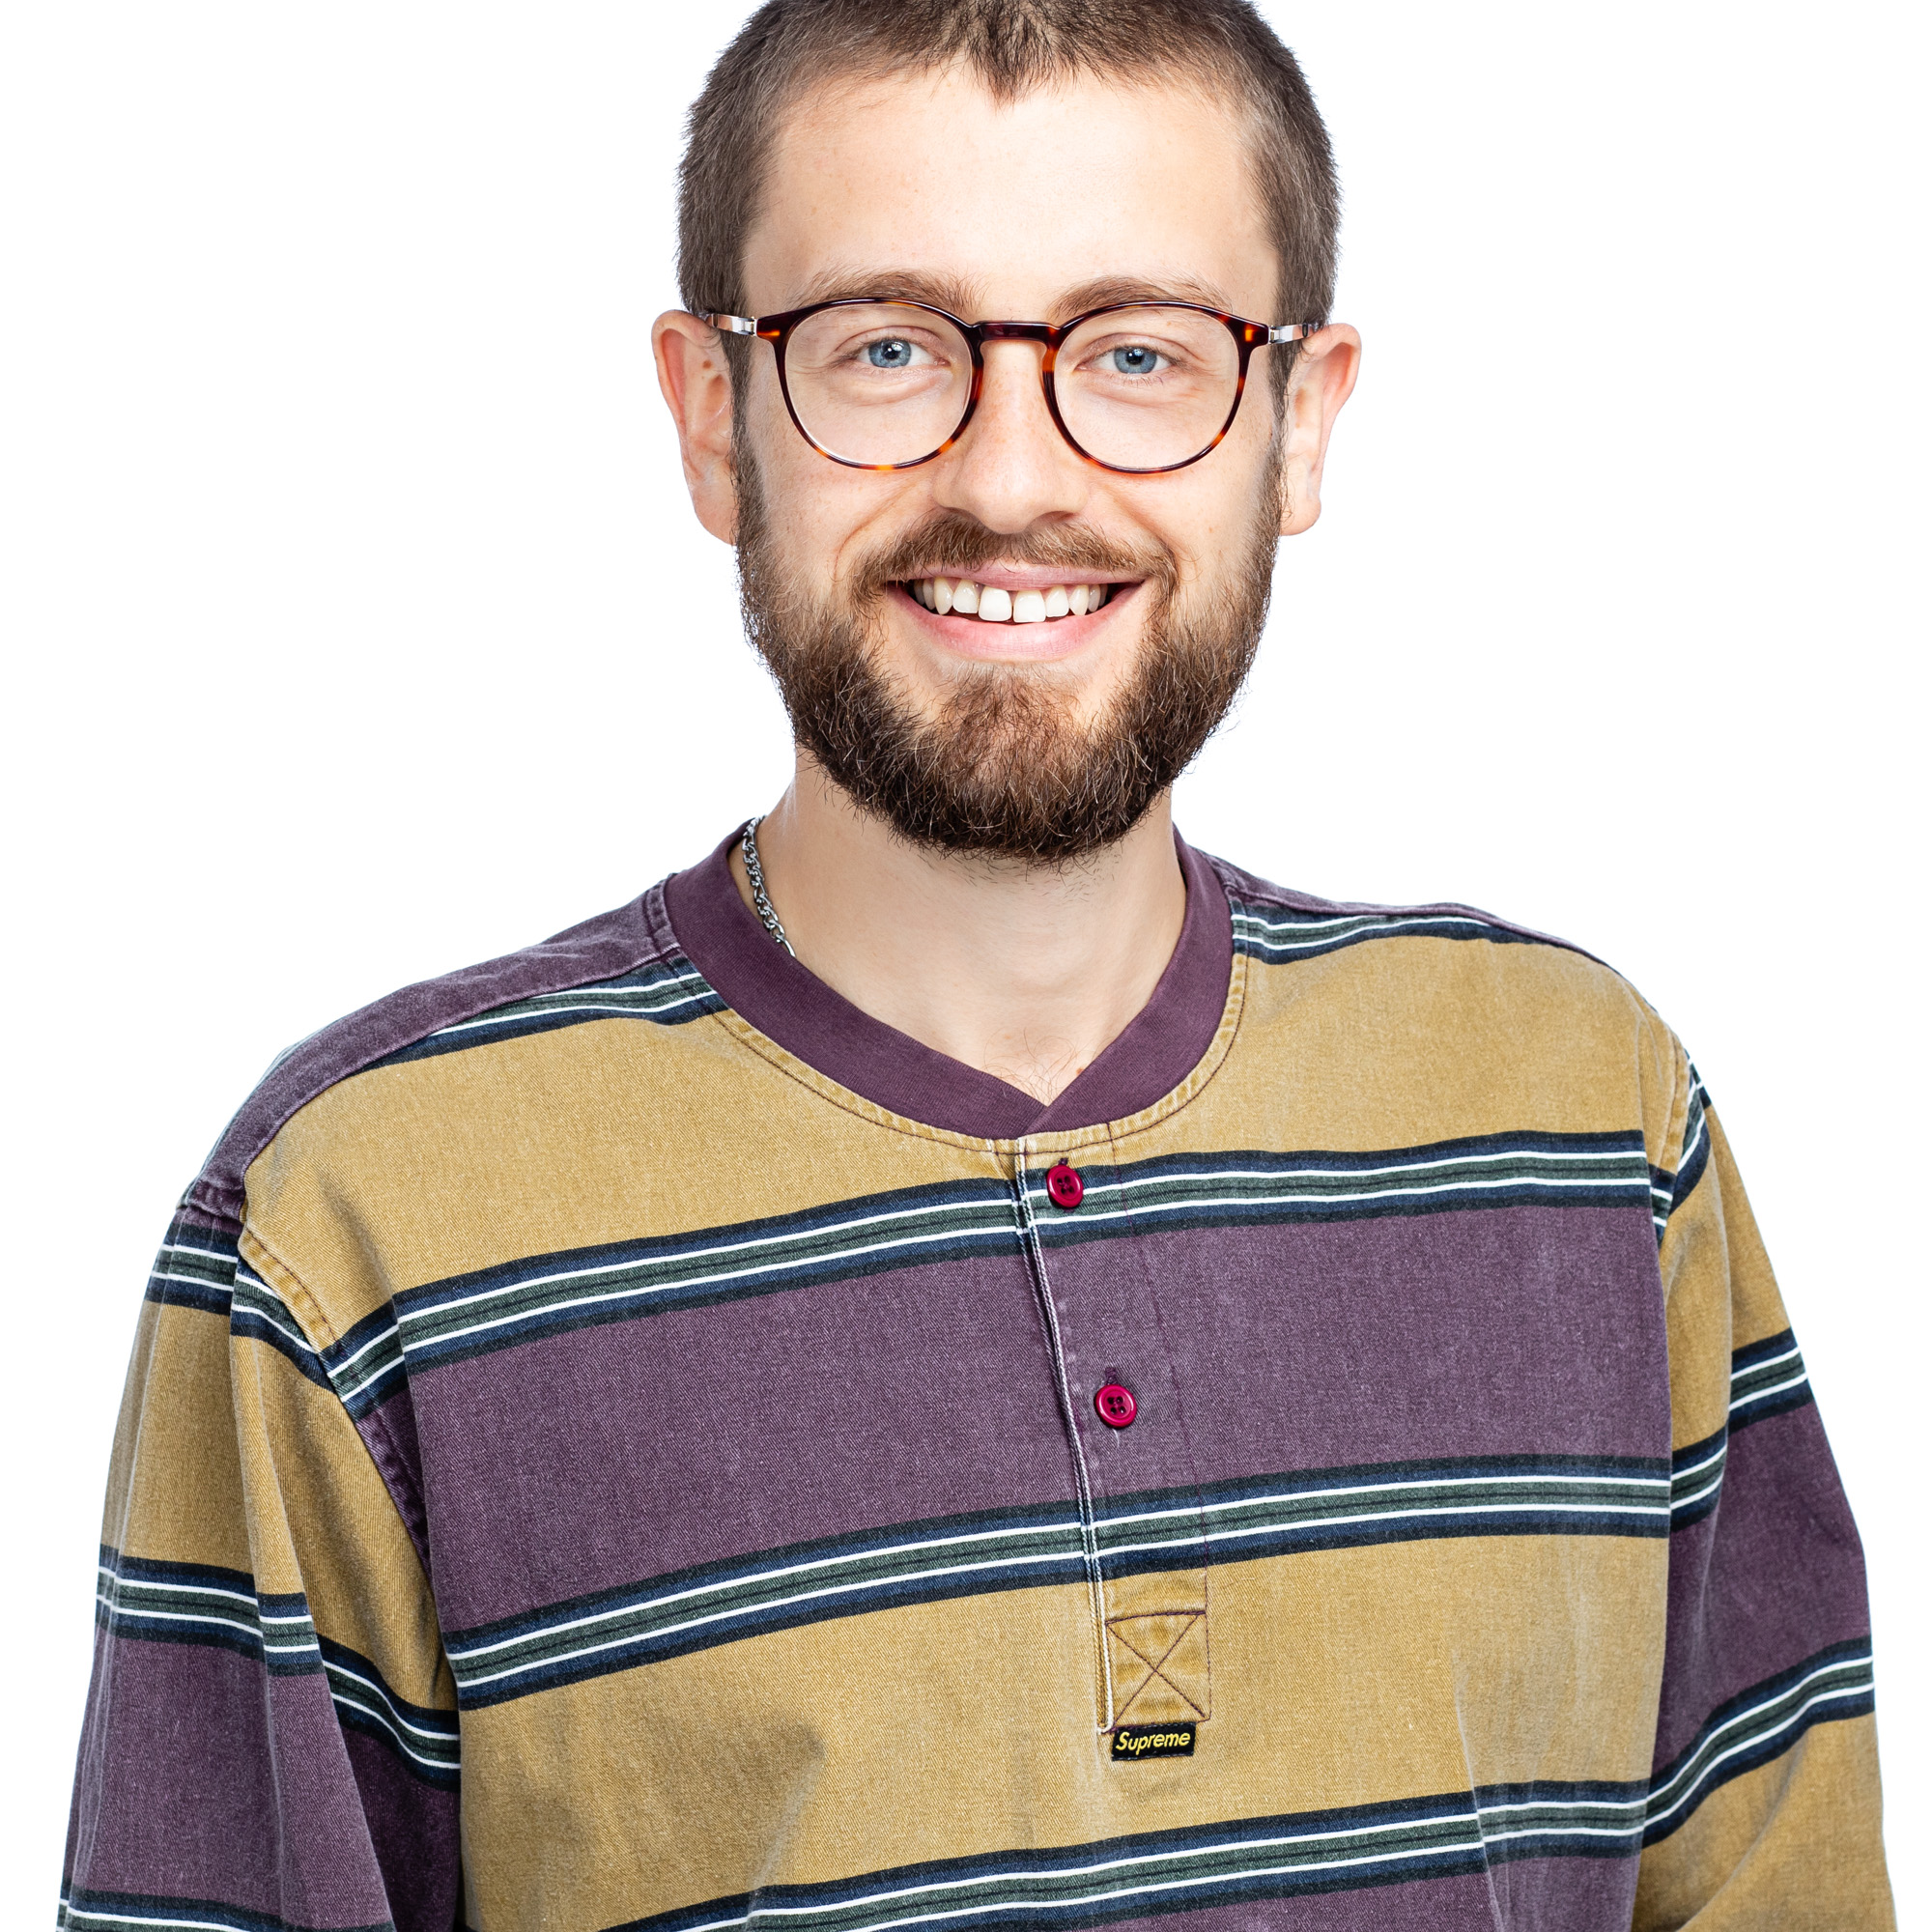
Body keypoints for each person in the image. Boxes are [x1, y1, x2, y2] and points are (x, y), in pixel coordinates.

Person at [59, 2, 1893, 1927]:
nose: (1013, 478)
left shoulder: (1585, 1129)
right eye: (885, 346)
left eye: (1138, 353)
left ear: (1300, 423)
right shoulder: (361, 1225)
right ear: (710, 413)